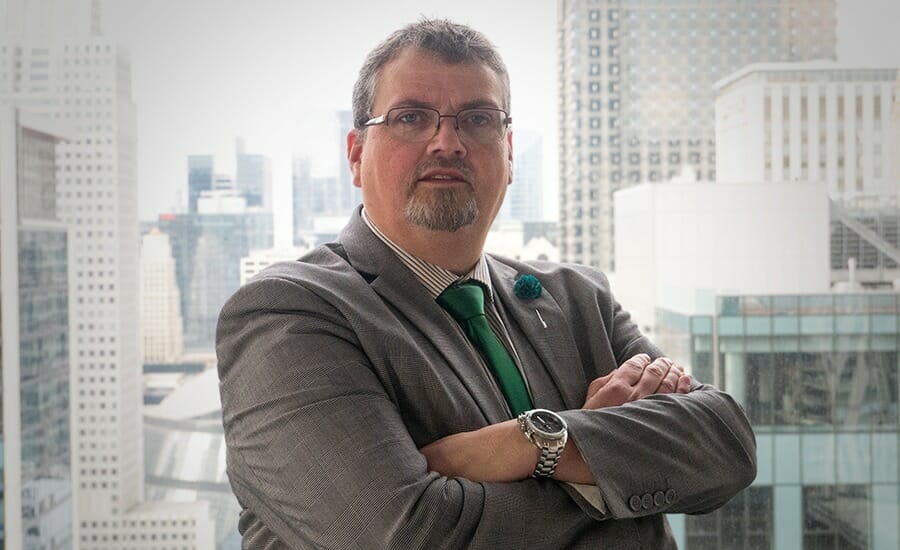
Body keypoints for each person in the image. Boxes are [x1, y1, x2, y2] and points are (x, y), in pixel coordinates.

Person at [216, 18, 756, 549]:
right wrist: (612, 483)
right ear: (356, 155)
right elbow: (406, 534)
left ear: (509, 151)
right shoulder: (287, 313)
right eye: (410, 117)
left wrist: (530, 445)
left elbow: (725, 445)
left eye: (477, 119)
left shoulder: (580, 299)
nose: (446, 142)